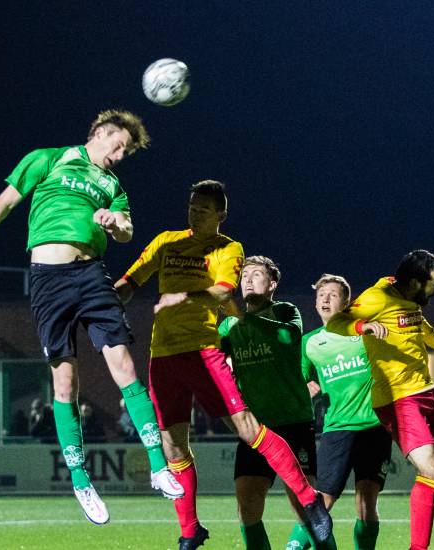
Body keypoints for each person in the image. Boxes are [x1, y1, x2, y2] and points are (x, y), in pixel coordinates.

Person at [0, 109, 181, 524]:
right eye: (118, 145)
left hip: (93, 274)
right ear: (100, 133)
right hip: (50, 279)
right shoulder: (48, 158)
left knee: (123, 363)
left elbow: (126, 230)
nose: (120, 155)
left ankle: (159, 466)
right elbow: (3, 204)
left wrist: (114, 222)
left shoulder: (112, 185)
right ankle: (81, 481)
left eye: (126, 152)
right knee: (65, 380)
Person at [115, 180, 332, 550]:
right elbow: (131, 280)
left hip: (202, 350)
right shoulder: (165, 241)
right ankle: (189, 530)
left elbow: (222, 290)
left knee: (248, 428)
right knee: (173, 446)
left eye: (203, 209)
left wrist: (186, 295)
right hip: (163, 357)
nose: (194, 213)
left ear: (221, 215)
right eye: (192, 206)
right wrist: (103, 301)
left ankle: (309, 501)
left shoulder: (227, 248)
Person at [326, 249, 434, 550]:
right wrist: (364, 326)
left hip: (425, 393)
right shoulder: (377, 296)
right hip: (398, 399)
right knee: (432, 470)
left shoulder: (409, 299)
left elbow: (421, 326)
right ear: (414, 281)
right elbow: (335, 323)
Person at [217, 256, 333, 550]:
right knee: (247, 504)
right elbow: (211, 359)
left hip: (292, 421)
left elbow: (288, 337)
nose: (248, 279)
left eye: (256, 274)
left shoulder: (284, 310)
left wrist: (248, 319)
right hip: (255, 427)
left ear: (272, 284)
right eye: (244, 275)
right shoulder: (229, 325)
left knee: (303, 503)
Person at [298, 274, 393, 550]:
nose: (325, 299)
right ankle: (295, 546)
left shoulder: (365, 334)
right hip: (337, 429)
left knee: (367, 503)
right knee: (322, 501)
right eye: (321, 295)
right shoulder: (309, 343)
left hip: (375, 428)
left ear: (347, 301)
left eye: (333, 294)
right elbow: (298, 384)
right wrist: (307, 388)